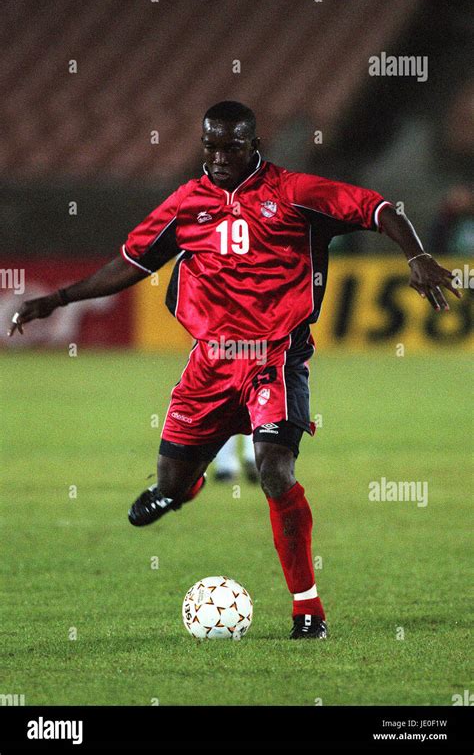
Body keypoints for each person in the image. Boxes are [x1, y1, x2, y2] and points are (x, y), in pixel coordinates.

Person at [8, 101, 461, 639]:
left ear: (254, 146)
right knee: (169, 484)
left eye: (232, 147)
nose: (220, 157)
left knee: (274, 469)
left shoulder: (295, 194)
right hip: (210, 362)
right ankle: (184, 486)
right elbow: (129, 264)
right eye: (211, 146)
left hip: (275, 355)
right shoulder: (186, 205)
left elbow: (380, 208)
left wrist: (416, 257)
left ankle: (307, 608)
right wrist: (56, 298)